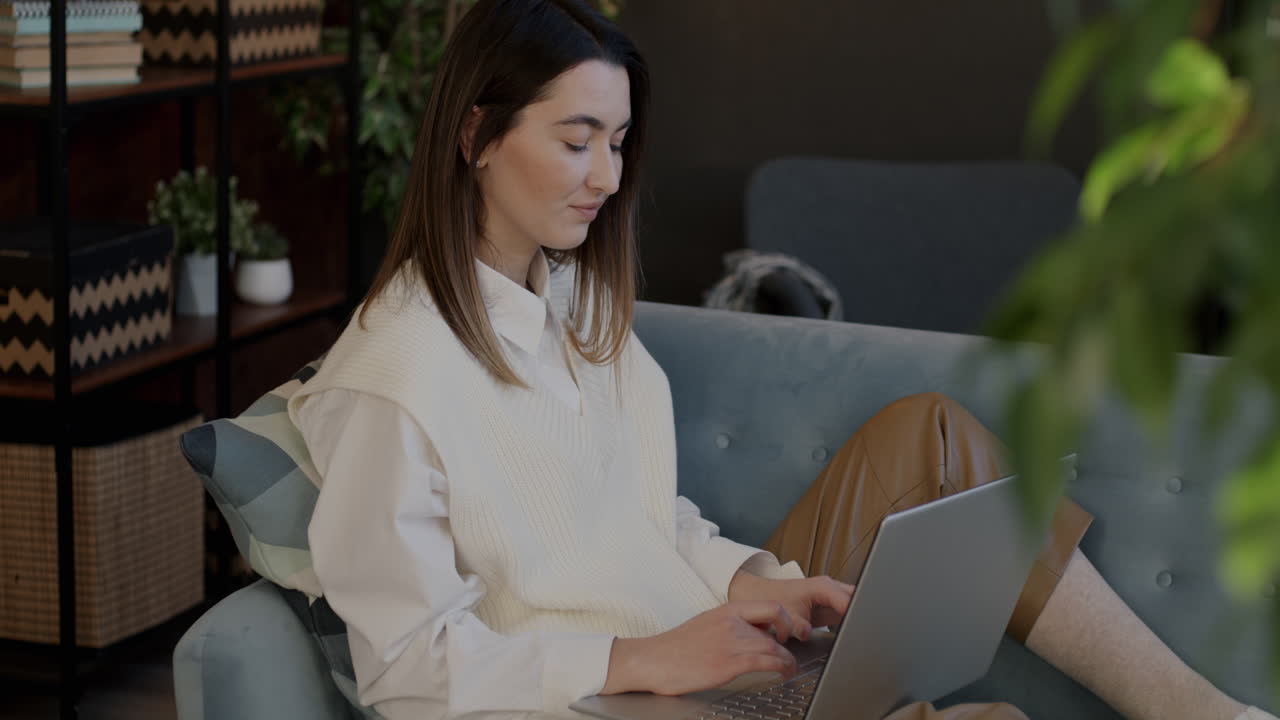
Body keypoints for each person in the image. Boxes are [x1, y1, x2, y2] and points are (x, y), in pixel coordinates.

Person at [287, 2, 1276, 719]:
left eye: (619, 141)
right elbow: (406, 669)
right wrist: (642, 659)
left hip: (703, 659)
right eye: (576, 139)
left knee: (929, 435)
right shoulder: (394, 379)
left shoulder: (578, 302)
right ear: (475, 137)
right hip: (605, 698)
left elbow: (648, 518)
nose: (605, 177)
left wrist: (753, 581)